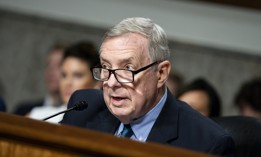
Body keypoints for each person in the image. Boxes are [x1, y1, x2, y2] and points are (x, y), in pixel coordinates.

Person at [61, 17, 235, 156]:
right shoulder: (83, 109)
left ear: (161, 74)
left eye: (128, 69)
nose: (112, 83)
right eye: (106, 68)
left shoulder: (206, 144)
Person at [28, 41, 102, 123]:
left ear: (97, 82)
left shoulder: (107, 126)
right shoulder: (37, 116)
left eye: (77, 75)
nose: (68, 83)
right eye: (64, 75)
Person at [13, 42, 66, 115]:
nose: (51, 70)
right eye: (48, 64)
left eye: (58, 64)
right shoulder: (23, 111)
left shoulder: (73, 117)